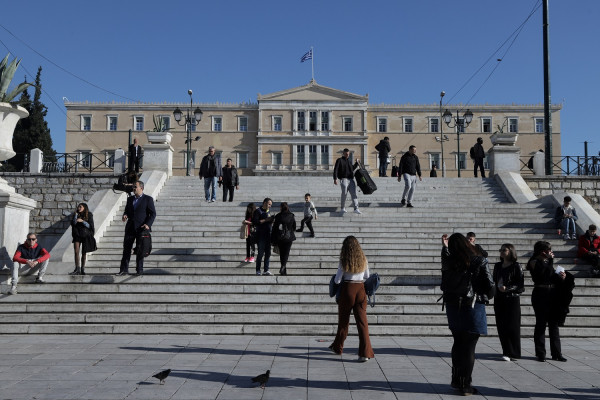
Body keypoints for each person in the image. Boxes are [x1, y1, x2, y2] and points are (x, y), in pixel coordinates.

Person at [440, 233, 494, 395]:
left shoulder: (449, 261)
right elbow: (490, 285)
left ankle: (457, 380)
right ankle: (465, 384)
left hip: (452, 305)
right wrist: (486, 295)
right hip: (472, 304)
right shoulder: (479, 260)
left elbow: (445, 259)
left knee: (458, 342)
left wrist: (444, 247)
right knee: (469, 345)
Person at [329, 236, 375, 362]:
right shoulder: (363, 259)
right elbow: (367, 276)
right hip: (361, 289)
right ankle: (365, 353)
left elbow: (338, 280)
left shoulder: (344, 260)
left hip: (347, 289)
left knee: (344, 321)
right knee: (362, 323)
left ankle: (338, 347)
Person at [527, 241, 567, 362]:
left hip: (552, 294)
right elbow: (543, 275)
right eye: (549, 250)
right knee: (541, 323)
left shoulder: (547, 262)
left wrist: (561, 276)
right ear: (542, 252)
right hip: (540, 294)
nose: (551, 252)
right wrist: (550, 261)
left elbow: (551, 277)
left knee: (554, 325)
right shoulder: (533, 262)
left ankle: (557, 353)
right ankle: (540, 353)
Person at [117, 180, 156, 276]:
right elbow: (127, 210)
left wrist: (148, 224)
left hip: (141, 228)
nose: (133, 189)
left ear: (141, 188)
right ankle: (124, 269)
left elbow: (153, 214)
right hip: (130, 227)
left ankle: (139, 270)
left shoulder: (148, 199)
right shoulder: (130, 199)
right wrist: (125, 215)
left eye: (135, 187)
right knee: (126, 249)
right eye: (133, 187)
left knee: (140, 249)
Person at [493, 243, 524, 361]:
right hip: (499, 298)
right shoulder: (497, 266)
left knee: (513, 326)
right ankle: (506, 350)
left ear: (511, 251)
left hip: (512, 299)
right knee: (501, 325)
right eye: (500, 250)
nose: (501, 252)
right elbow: (494, 280)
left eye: (504, 250)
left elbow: (520, 285)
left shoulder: (516, 266)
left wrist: (508, 288)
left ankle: (514, 352)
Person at [69, 203, 95, 275]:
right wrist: (76, 216)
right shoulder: (76, 214)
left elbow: (90, 225)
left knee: (84, 252)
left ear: (84, 208)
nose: (79, 208)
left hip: (85, 235)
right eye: (78, 207)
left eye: (80, 207)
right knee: (76, 251)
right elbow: (73, 223)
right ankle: (77, 268)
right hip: (77, 234)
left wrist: (82, 221)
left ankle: (83, 269)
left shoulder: (89, 214)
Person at [271, 202, 296, 276]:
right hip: (288, 237)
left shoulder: (278, 216)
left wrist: (273, 239)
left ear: (281, 208)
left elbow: (274, 228)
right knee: (286, 253)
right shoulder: (291, 215)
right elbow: (294, 227)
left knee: (282, 254)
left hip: (280, 237)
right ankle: (283, 267)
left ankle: (283, 269)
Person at [333, 148, 361, 214]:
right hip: (343, 179)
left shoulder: (349, 161)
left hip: (351, 180)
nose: (347, 155)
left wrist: (356, 163)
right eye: (346, 154)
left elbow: (352, 169)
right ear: (343, 153)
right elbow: (336, 169)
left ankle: (356, 208)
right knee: (344, 194)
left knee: (354, 194)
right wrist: (335, 178)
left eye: (348, 154)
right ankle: (342, 208)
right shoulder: (339, 160)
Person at [252, 198, 274, 275]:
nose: (270, 206)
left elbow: (269, 221)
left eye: (271, 205)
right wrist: (265, 220)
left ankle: (266, 270)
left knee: (268, 253)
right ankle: (258, 270)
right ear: (264, 203)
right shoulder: (258, 211)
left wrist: (271, 220)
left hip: (268, 235)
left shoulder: (268, 211)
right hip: (260, 235)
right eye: (269, 204)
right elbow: (255, 222)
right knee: (260, 253)